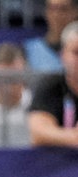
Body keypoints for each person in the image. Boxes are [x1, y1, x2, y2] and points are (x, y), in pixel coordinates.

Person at [29, 21, 78, 149]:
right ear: (62, 55)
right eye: (76, 53)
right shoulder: (50, 86)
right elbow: (38, 133)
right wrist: (73, 137)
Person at [25, 0, 78, 71]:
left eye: (63, 9)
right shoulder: (28, 50)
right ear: (45, 11)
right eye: (52, 8)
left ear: (75, 12)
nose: (56, 15)